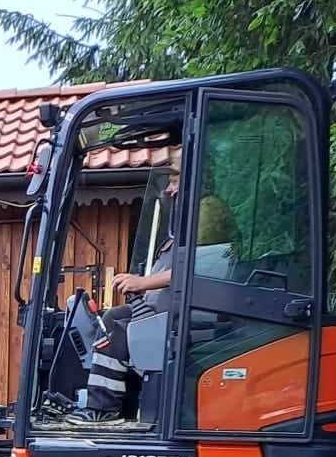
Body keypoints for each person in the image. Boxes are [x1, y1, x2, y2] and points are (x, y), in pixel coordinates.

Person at [83, 174, 236, 421]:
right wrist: (142, 286)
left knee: (119, 333)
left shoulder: (208, 213)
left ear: (196, 180)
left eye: (175, 181)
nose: (169, 189)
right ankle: (106, 406)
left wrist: (143, 283)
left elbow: (196, 268)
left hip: (191, 316)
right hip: (169, 311)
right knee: (112, 318)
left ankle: (102, 411)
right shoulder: (186, 222)